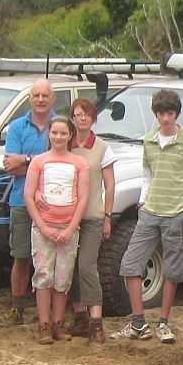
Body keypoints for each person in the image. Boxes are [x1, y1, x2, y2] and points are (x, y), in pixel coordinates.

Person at [115, 89, 183, 344]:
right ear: (155, 114)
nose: (165, 118)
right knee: (130, 264)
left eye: (170, 113)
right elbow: (147, 176)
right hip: (150, 212)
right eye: (161, 113)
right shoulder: (149, 140)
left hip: (175, 213)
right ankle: (138, 322)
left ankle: (163, 323)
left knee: (172, 270)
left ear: (176, 114)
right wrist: (142, 202)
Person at [23, 116, 89, 344]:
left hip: (68, 229)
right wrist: (42, 226)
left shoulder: (79, 163)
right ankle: (44, 324)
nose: (58, 137)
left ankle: (58, 323)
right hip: (43, 228)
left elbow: (83, 198)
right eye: (54, 133)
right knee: (43, 276)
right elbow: (29, 195)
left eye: (63, 133)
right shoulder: (38, 162)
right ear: (48, 134)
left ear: (70, 136)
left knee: (63, 278)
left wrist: (71, 228)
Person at [2, 77, 55, 325]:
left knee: (54, 259)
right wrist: (42, 163)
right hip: (21, 201)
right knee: (21, 256)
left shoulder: (60, 125)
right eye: (36, 95)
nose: (40, 100)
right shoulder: (16, 127)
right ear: (30, 98)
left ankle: (54, 311)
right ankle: (17, 308)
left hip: (55, 204)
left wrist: (25, 160)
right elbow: (10, 166)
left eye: (45, 95)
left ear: (52, 98)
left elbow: (60, 165)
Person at [70, 97, 117, 344]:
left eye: (87, 114)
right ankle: (80, 318)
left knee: (87, 266)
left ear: (93, 118)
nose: (82, 118)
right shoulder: (65, 143)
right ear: (72, 118)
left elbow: (110, 185)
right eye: (78, 114)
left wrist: (108, 216)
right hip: (66, 218)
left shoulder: (102, 148)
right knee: (71, 267)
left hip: (92, 217)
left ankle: (96, 322)